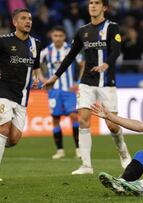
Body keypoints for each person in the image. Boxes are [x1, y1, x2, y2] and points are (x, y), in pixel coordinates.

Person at [43, 0, 131, 175]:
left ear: (104, 7)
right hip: (87, 83)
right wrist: (54, 76)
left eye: (97, 3)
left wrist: (106, 64)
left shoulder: (112, 27)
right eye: (91, 3)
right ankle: (86, 165)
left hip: (107, 82)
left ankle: (123, 153)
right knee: (83, 119)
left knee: (112, 125)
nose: (93, 5)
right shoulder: (82, 31)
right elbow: (70, 56)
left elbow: (116, 50)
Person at [0, 8, 42, 181]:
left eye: (29, 18)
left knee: (13, 139)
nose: (28, 21)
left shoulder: (36, 44)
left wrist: (36, 78)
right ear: (15, 22)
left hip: (22, 97)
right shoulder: (3, 41)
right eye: (23, 18)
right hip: (4, 92)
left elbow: (35, 66)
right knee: (3, 130)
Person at [39, 26, 84, 159]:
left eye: (60, 36)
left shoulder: (70, 49)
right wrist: (42, 79)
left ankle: (78, 149)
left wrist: (78, 82)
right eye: (55, 35)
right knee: (55, 119)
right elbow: (36, 65)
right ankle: (60, 150)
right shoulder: (47, 51)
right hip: (54, 91)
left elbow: (84, 64)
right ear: (51, 37)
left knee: (74, 116)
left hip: (69, 90)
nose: (57, 38)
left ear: (64, 37)